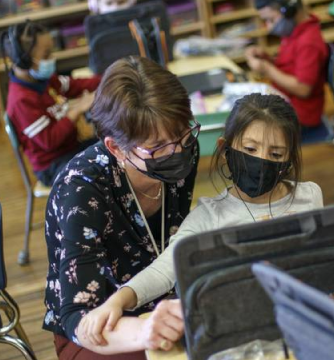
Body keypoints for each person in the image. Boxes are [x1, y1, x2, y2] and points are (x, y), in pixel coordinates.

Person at [74, 93, 324, 345]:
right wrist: (117, 301)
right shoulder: (208, 216)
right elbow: (165, 270)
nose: (262, 160)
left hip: (304, 323)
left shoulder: (309, 195)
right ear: (225, 149)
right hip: (245, 335)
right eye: (250, 149)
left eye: (276, 154)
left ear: (289, 159)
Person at [43, 56, 200, 359]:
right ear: (116, 148)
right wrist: (146, 330)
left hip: (163, 298)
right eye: (157, 147)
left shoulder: (180, 154)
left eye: (182, 134)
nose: (177, 151)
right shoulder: (81, 190)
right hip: (103, 325)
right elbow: (78, 317)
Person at [5, 20, 101, 186]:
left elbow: (75, 85)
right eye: (46, 54)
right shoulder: (21, 100)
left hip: (71, 150)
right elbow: (50, 141)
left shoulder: (44, 80)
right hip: (52, 166)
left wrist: (108, 77)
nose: (51, 58)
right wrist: (77, 109)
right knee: (108, 164)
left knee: (114, 144)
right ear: (26, 60)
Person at [244, 0, 328, 130]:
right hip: (285, 101)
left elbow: (303, 89)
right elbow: (289, 67)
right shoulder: (293, 31)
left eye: (271, 19)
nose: (269, 27)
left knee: (243, 124)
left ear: (289, 12)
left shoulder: (308, 43)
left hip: (300, 115)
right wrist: (266, 58)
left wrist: (267, 68)